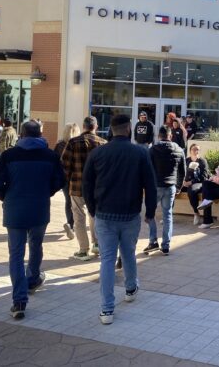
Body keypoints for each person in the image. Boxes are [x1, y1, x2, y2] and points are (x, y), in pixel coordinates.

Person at [82, 114, 157, 325]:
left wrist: (93, 209)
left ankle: (106, 309)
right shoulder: (140, 153)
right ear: (129, 129)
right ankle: (131, 288)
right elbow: (149, 185)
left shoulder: (98, 153)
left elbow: (87, 185)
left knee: (106, 260)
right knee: (128, 253)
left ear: (112, 130)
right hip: (130, 213)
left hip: (104, 214)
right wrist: (150, 212)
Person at [0, 120, 65, 320]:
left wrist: (6, 196)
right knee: (36, 245)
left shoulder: (9, 155)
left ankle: (19, 301)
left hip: (15, 209)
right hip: (39, 208)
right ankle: (33, 278)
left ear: (21, 135)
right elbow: (60, 180)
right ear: (40, 135)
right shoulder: (50, 156)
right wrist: (46, 192)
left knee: (16, 254)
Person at [61, 116, 107, 261]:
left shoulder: (73, 142)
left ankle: (83, 249)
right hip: (97, 187)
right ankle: (97, 244)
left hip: (76, 186)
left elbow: (65, 166)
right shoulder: (103, 143)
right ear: (96, 127)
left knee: (79, 218)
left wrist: (66, 181)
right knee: (95, 215)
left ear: (84, 126)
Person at [146, 126, 185, 255]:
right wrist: (178, 186)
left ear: (159, 136)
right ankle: (166, 245)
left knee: (149, 213)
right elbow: (182, 171)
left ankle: (153, 241)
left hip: (155, 186)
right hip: (170, 186)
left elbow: (147, 169)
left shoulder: (153, 149)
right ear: (170, 136)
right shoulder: (179, 149)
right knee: (167, 215)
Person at [54, 123, 81, 240]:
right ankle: (75, 225)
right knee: (79, 203)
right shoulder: (78, 144)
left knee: (68, 201)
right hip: (78, 178)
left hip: (64, 178)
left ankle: (70, 224)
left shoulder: (60, 145)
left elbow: (55, 162)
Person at [182, 143, 211, 225]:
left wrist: (191, 182)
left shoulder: (202, 161)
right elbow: (181, 172)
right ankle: (168, 214)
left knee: (192, 190)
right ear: (190, 151)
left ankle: (196, 213)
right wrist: (183, 181)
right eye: (194, 149)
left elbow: (204, 177)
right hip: (185, 182)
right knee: (173, 189)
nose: (196, 151)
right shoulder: (186, 160)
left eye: (197, 149)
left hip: (199, 182)